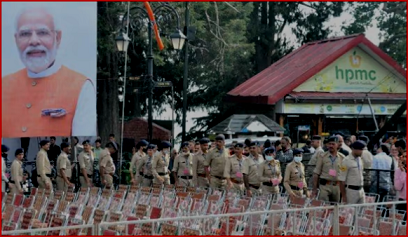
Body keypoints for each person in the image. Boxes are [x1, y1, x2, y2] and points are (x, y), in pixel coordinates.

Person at [2, 7, 96, 137]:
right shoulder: (3, 85)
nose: (34, 41)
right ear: (16, 39)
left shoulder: (82, 87)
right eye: (25, 34)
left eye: (42, 32)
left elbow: (82, 144)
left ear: (57, 38)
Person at [312, 136, 345, 203]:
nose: (330, 146)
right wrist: (314, 189)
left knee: (335, 208)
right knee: (324, 206)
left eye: (333, 144)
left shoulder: (342, 158)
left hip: (336, 187)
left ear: (337, 145)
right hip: (325, 186)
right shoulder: (322, 156)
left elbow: (344, 174)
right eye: (329, 144)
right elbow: (316, 173)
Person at [394, 151, 406, 218]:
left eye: (406, 157)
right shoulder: (398, 171)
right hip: (402, 202)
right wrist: (403, 173)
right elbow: (398, 187)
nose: (404, 159)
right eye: (403, 157)